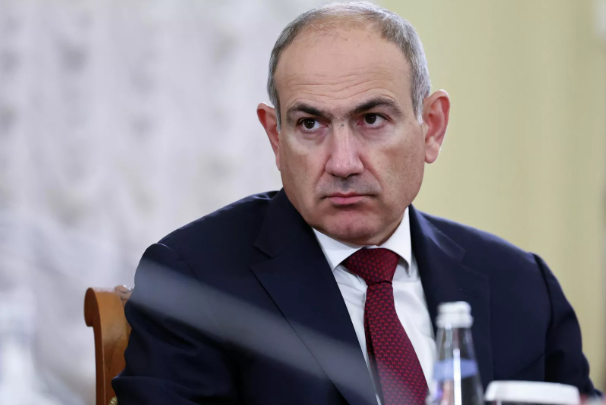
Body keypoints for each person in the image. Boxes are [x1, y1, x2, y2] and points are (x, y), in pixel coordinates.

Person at [113, 2, 598, 405]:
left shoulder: (521, 286)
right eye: (310, 124)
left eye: (372, 119)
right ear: (275, 137)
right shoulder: (195, 283)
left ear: (432, 127)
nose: (342, 162)